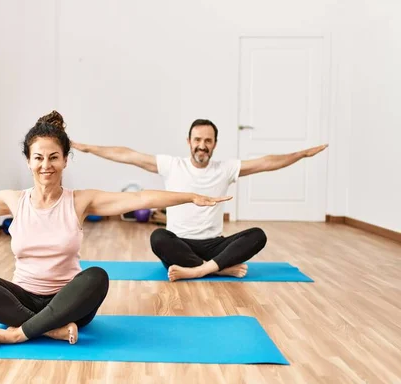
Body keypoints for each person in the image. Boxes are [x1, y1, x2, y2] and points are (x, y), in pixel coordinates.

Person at [0, 111, 231, 347]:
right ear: (28, 162)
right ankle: (49, 329)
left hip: (70, 301)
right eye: (38, 158)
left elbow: (141, 198)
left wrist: (190, 196)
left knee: (97, 277)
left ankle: (19, 334)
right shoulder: (14, 200)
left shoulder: (80, 200)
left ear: (65, 160)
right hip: (24, 297)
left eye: (54, 157)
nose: (46, 165)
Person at [71, 118, 328, 282]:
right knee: (157, 238)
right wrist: (86, 148)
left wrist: (302, 154)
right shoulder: (172, 165)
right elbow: (127, 155)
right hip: (179, 243)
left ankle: (199, 270)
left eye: (208, 141)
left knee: (258, 234)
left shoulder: (225, 168)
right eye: (197, 140)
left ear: (215, 144)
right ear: (189, 142)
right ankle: (219, 269)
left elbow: (266, 163)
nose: (202, 145)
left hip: (214, 244)